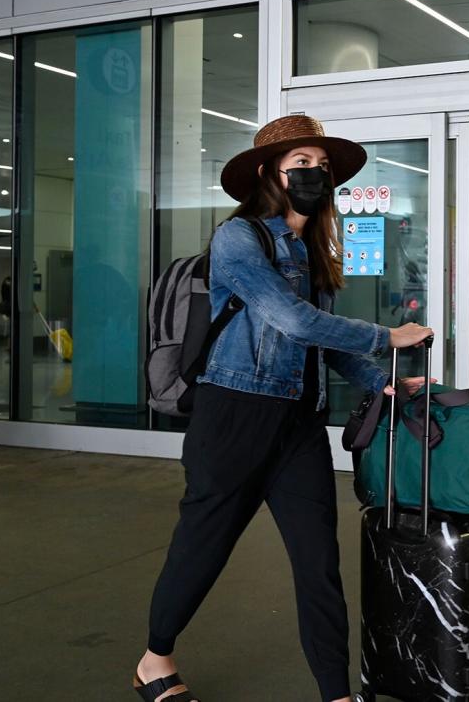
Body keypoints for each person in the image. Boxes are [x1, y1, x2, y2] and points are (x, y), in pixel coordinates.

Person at [132, 115, 433, 702]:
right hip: (233, 416)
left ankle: (336, 693)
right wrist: (386, 338)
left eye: (322, 165)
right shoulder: (240, 238)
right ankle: (154, 659)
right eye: (302, 163)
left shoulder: (313, 249)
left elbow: (317, 340)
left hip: (298, 425)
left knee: (319, 562)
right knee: (204, 547)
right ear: (270, 171)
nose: (314, 173)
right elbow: (292, 321)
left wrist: (381, 383)